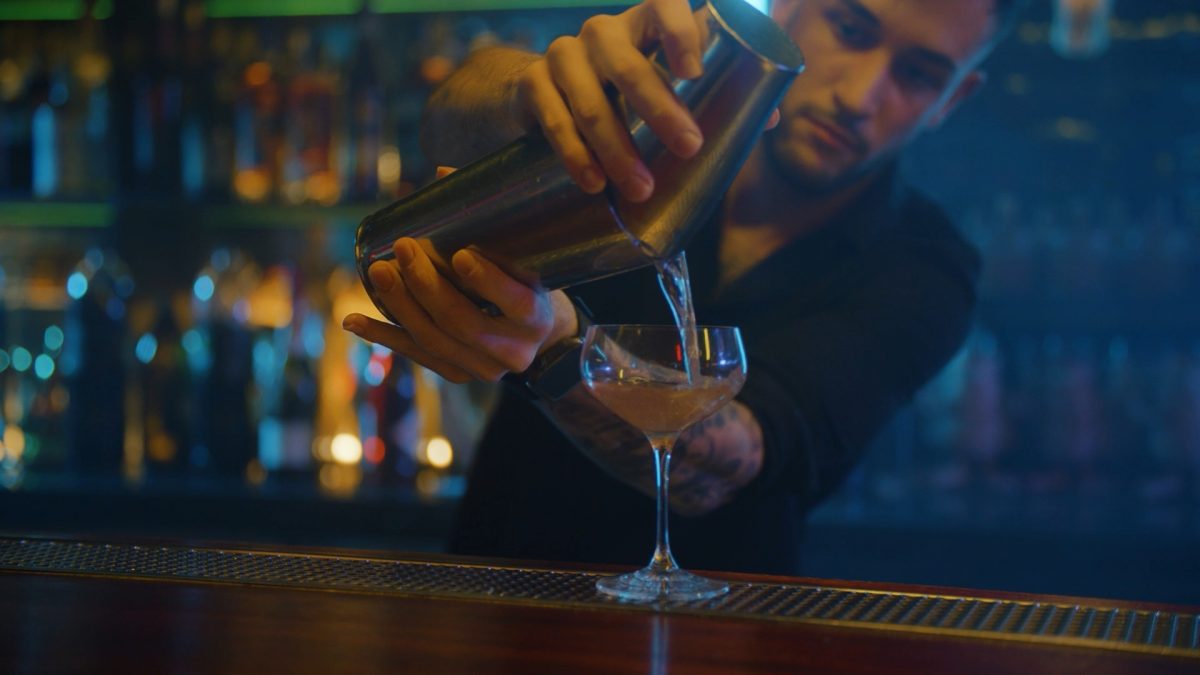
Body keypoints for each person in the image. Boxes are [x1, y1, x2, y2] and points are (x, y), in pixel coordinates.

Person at [341, 0, 1027, 574]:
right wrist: (529, 89)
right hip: (499, 599)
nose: (859, 96)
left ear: (954, 98)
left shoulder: (927, 268)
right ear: (788, 8)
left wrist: (556, 351)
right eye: (850, 29)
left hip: (723, 637)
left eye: (918, 75)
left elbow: (734, 463)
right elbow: (443, 120)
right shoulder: (646, 122)